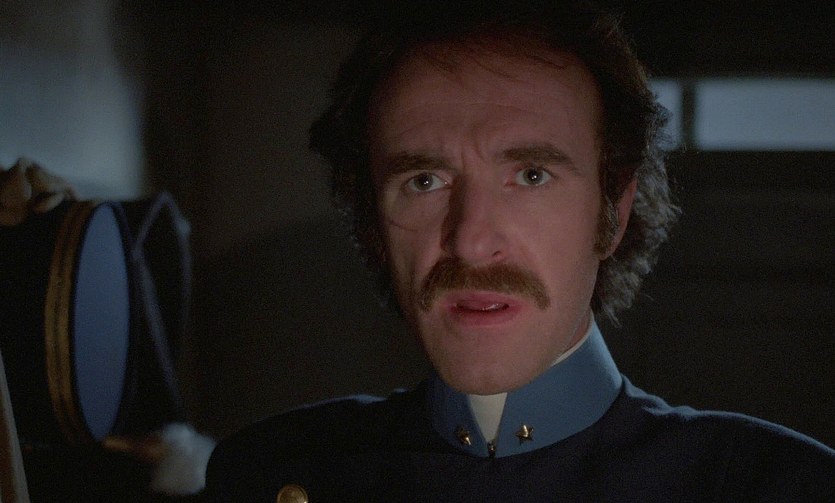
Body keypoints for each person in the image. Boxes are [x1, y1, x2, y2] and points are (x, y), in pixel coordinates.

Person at [202, 1, 835, 501]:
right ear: (373, 222)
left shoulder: (773, 484)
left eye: (531, 175)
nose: (472, 241)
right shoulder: (271, 473)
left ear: (613, 214)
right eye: (424, 181)